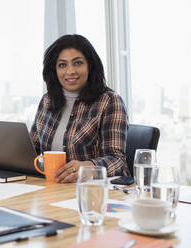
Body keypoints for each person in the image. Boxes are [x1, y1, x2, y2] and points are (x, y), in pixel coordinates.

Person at [30, 34, 130, 183]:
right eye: (62, 65)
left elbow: (118, 161)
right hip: (53, 188)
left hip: (92, 191)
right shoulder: (47, 100)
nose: (70, 71)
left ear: (90, 65)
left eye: (78, 63)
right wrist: (1, 158)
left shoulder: (109, 101)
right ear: (54, 70)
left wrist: (89, 167)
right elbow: (33, 150)